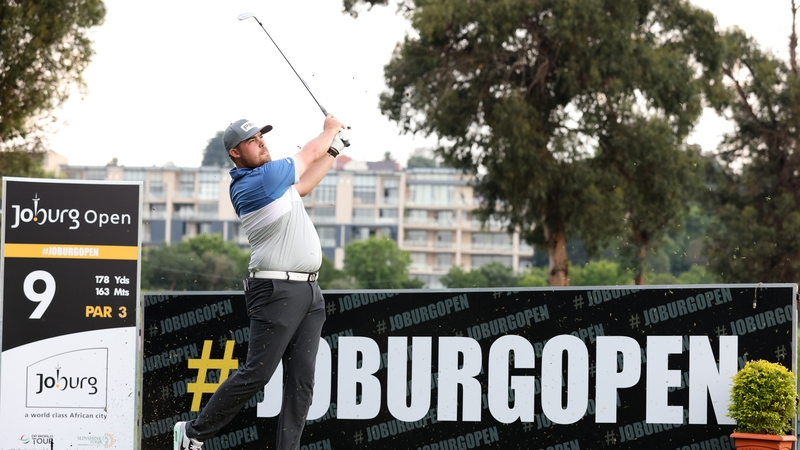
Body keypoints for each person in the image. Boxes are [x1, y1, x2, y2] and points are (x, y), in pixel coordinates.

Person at [174, 114, 347, 450]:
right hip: (276, 291)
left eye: (262, 137)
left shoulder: (275, 182)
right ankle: (193, 433)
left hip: (309, 292)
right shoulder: (257, 181)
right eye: (253, 141)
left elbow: (306, 184)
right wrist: (329, 132)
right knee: (257, 373)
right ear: (236, 153)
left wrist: (334, 149)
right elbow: (309, 154)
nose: (262, 142)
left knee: (302, 382)